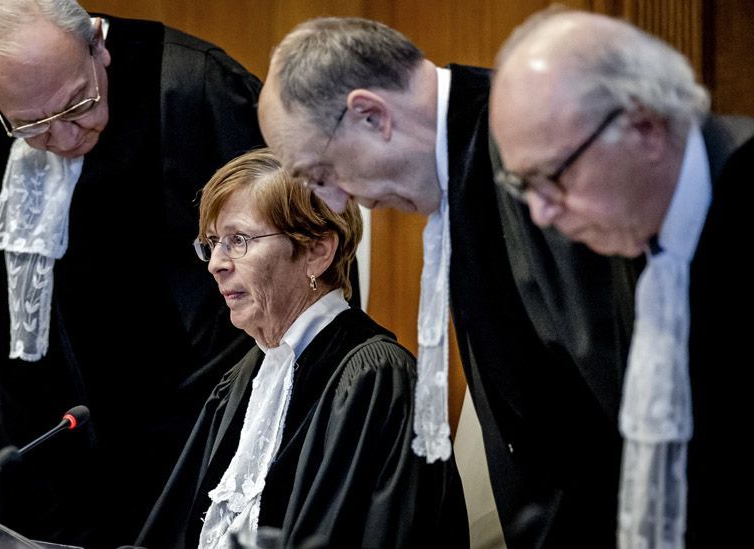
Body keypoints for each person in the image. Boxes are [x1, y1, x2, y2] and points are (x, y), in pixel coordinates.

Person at [258, 17, 639, 548]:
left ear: (371, 114)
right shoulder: (465, 164)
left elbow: (626, 386)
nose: (341, 202)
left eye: (322, 173)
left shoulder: (545, 150)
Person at [0, 0, 264, 545]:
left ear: (98, 44)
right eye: (30, 126)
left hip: (189, 440)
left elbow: (283, 266)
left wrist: (216, 415)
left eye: (80, 103)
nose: (67, 138)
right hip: (26, 457)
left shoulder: (191, 86)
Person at [490, 9, 754, 548]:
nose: (540, 215)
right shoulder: (626, 228)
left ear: (645, 128)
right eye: (522, 185)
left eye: (553, 177)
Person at [136, 149, 467, 549]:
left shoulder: (375, 379)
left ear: (316, 252)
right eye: (213, 243)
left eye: (238, 240)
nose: (215, 264)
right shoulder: (244, 380)